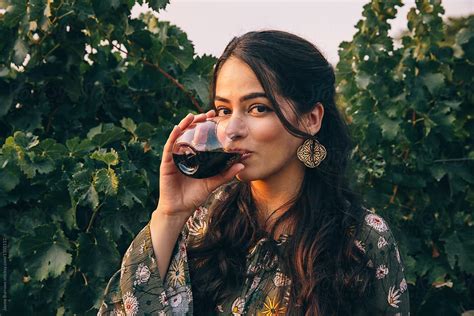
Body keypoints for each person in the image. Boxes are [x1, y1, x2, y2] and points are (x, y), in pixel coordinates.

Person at [97, 30, 409, 315]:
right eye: (223, 110)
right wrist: (169, 213)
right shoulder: (203, 220)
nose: (231, 130)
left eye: (258, 107)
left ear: (312, 119)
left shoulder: (363, 238)